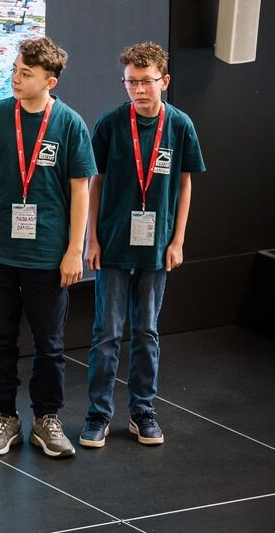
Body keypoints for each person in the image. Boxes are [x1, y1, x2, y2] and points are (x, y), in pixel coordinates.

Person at [0, 37, 96, 459]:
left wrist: (74, 250)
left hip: (47, 254)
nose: (16, 78)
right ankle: (6, 416)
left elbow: (81, 190)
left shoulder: (70, 124)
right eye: (15, 70)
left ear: (49, 81)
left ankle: (46, 418)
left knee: (49, 343)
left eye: (26, 73)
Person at [80, 42, 204, 448]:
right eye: (130, 82)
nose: (138, 90)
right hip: (113, 243)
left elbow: (185, 183)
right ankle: (98, 414)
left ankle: (142, 412)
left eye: (146, 81)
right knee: (107, 333)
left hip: (157, 246)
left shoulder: (180, 125)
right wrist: (92, 238)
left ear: (163, 81)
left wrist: (178, 240)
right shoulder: (111, 124)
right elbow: (94, 182)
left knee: (146, 332)